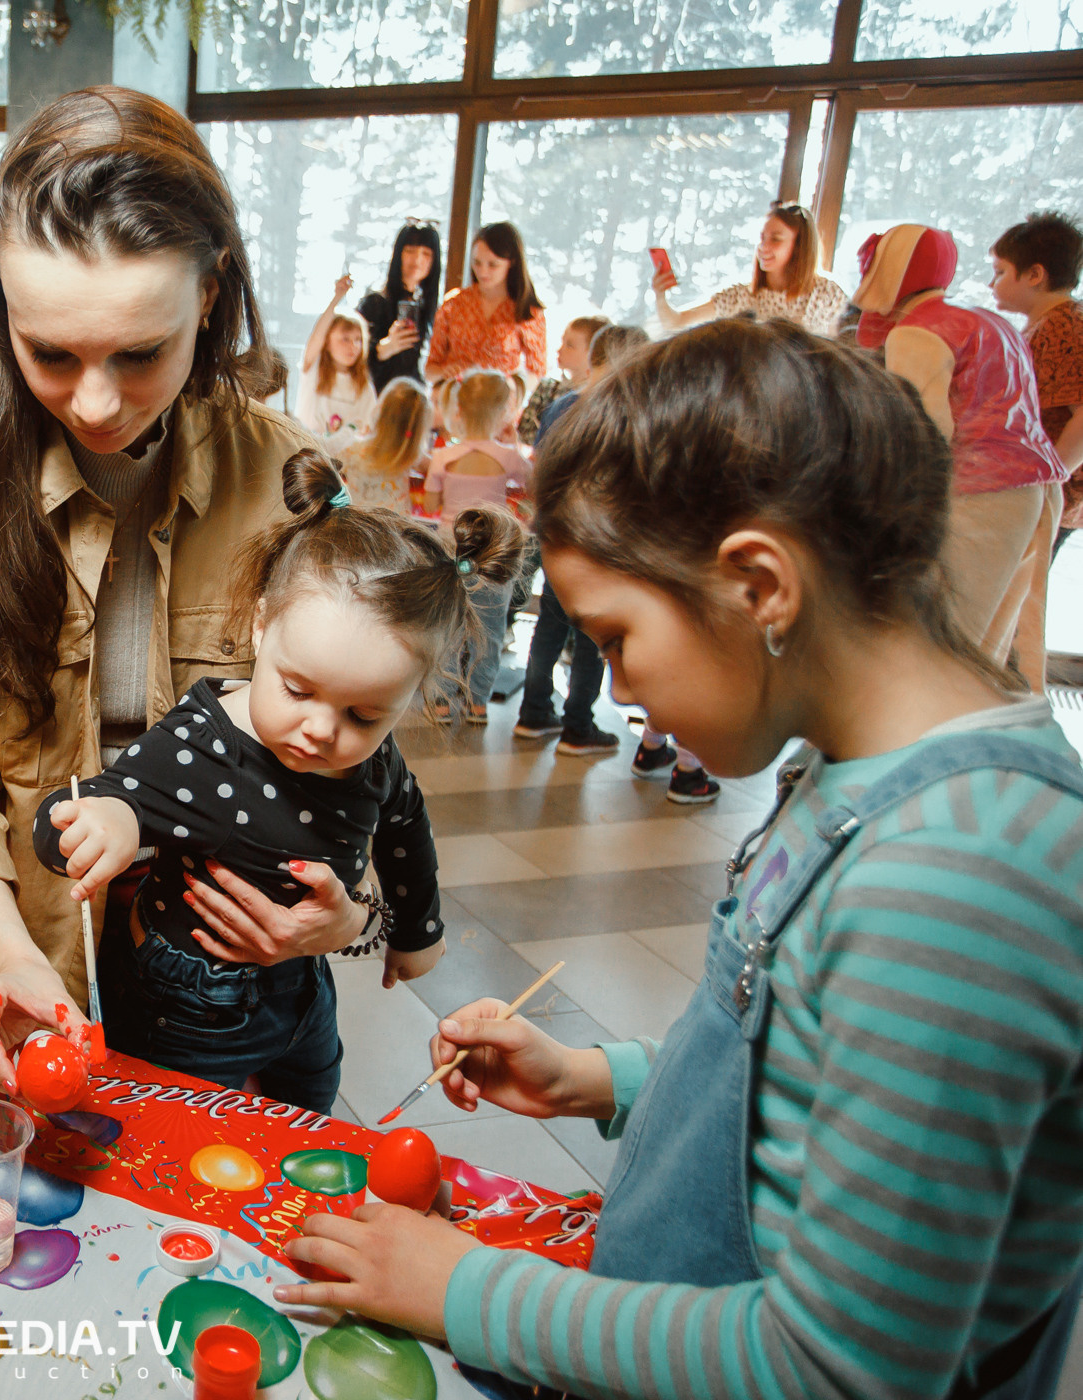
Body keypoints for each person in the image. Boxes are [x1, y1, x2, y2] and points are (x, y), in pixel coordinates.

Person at [272, 318, 1083, 1400]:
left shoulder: (956, 877)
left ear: (760, 582)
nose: (618, 687)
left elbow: (842, 1364)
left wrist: (467, 1290)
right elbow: (809, 1077)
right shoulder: (864, 781)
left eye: (614, 638)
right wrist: (605, 1079)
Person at [0, 87, 378, 1097]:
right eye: (49, 352)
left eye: (141, 353)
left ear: (213, 295)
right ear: (1, 308)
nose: (94, 402)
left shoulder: (291, 483)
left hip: (208, 975)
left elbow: (360, 737)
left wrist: (353, 912)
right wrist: (10, 953)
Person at [33, 452, 507, 1111]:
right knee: (192, 1131)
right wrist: (106, 823)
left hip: (305, 987)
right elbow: (94, 803)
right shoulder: (204, 745)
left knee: (310, 1107)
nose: (320, 729)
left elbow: (403, 824)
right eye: (297, 689)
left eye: (363, 713)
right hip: (189, 999)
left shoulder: (374, 760)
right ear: (261, 626)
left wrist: (415, 931)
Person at [855, 223, 1066, 692]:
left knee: (949, 642)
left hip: (978, 490)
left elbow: (927, 435)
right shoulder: (986, 321)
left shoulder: (916, 333)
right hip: (1033, 490)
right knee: (995, 641)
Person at [512, 321, 637, 754]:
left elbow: (539, 467)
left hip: (554, 531)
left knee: (549, 624)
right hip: (599, 539)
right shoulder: (626, 414)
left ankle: (533, 712)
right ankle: (578, 725)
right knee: (591, 634)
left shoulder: (561, 406)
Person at [425, 370, 529, 724]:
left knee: (449, 623)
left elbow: (431, 499)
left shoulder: (443, 457)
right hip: (494, 551)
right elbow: (536, 483)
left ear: (458, 408)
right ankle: (477, 702)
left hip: (451, 547)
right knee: (490, 628)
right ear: (504, 411)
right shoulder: (509, 457)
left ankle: (440, 698)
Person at [990, 211, 1083, 560]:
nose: (991, 283)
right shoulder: (1044, 325)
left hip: (1050, 497)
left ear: (1035, 274)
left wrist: (1051, 477)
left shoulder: (1065, 327)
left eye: (999, 272)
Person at [653, 200, 847, 337]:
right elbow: (675, 322)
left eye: (776, 239)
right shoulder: (741, 296)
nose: (764, 246)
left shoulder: (828, 294)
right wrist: (660, 296)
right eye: (762, 238)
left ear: (800, 247)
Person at [425, 222, 547, 385]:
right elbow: (430, 370)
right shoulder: (454, 303)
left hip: (499, 403)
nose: (482, 271)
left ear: (512, 262)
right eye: (477, 263)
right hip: (454, 401)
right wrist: (443, 371)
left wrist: (513, 391)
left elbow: (537, 372)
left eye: (493, 265)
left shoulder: (527, 310)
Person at [357, 220, 443, 389]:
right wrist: (385, 348)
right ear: (398, 254)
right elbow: (352, 358)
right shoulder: (375, 302)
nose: (417, 259)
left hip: (411, 397)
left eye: (426, 253)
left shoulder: (430, 308)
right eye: (410, 251)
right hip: (374, 398)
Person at [296, 278, 377, 448]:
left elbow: (367, 432)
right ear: (327, 341)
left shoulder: (364, 386)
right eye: (345, 339)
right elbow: (316, 337)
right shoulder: (314, 370)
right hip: (306, 453)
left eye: (358, 340)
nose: (353, 346)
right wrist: (337, 298)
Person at [339, 377, 431, 516]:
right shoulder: (409, 456)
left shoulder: (352, 451)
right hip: (395, 529)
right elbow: (434, 467)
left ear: (379, 410)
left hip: (357, 524)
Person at [515, 314, 606, 448]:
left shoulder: (597, 400)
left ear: (593, 354)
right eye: (562, 342)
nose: (559, 350)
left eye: (570, 345)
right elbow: (524, 433)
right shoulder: (547, 388)